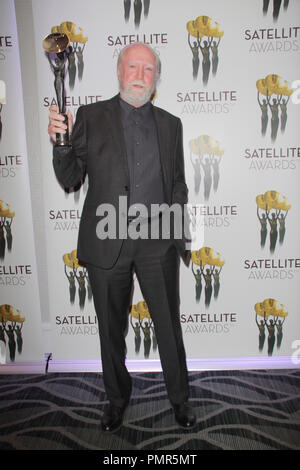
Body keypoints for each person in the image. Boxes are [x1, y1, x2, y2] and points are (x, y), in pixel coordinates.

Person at [48, 42, 196, 432]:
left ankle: (179, 399)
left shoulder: (171, 124)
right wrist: (60, 143)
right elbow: (70, 178)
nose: (140, 75)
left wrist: (177, 230)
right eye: (133, 66)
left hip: (157, 242)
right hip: (106, 240)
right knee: (110, 330)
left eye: (149, 69)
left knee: (168, 326)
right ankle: (117, 399)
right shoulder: (90, 116)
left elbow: (178, 183)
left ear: (156, 78)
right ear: (119, 71)